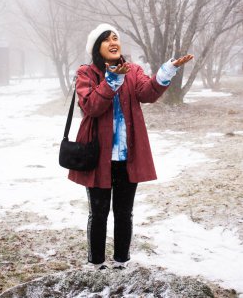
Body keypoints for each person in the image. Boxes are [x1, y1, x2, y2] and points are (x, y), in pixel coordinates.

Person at [68, 23, 193, 270]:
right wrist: (113, 79)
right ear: (97, 47)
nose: (113, 42)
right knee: (99, 212)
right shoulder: (87, 73)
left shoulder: (133, 70)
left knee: (124, 213)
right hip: (97, 157)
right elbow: (91, 106)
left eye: (115, 37)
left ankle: (121, 262)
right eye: (106, 39)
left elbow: (148, 93)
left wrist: (168, 70)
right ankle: (95, 264)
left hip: (127, 156)